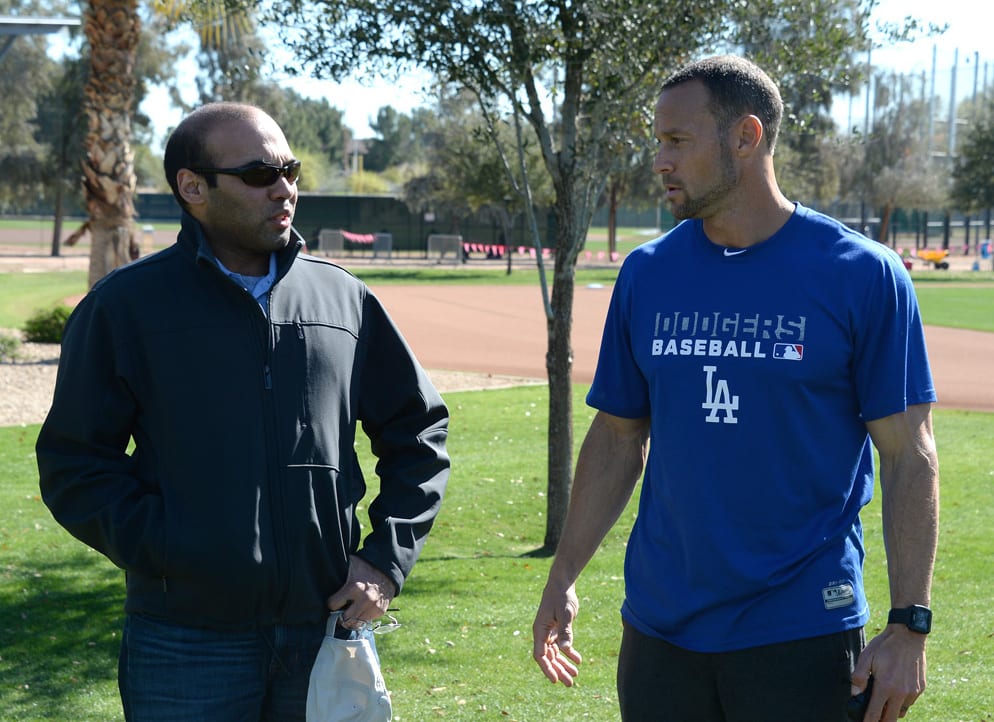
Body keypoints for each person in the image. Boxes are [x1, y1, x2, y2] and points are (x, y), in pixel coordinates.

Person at [531, 55, 939, 722]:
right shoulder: (648, 274)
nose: (658, 161)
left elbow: (907, 454)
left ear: (746, 137)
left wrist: (909, 624)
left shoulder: (862, 275)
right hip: (660, 636)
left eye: (677, 142)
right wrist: (564, 574)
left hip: (801, 631)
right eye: (657, 141)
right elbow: (617, 436)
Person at [36, 102, 450, 721]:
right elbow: (74, 464)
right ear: (193, 187)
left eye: (291, 169)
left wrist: (386, 559)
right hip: (183, 642)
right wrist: (174, 548)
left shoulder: (344, 298)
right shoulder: (125, 308)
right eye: (259, 174)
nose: (284, 189)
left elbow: (419, 428)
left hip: (323, 631)